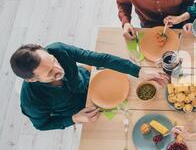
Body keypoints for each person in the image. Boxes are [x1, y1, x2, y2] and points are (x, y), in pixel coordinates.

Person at [10, 42, 168, 131]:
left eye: (54, 61)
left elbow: (100, 59)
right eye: (50, 72)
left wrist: (138, 70)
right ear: (32, 80)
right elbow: (41, 125)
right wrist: (74, 119)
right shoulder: (31, 101)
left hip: (91, 82)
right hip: (82, 112)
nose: (59, 69)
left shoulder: (58, 50)